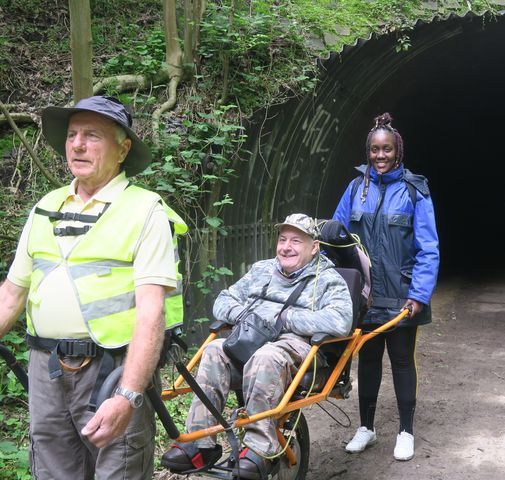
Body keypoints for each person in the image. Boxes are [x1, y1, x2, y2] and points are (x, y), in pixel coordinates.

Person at [0, 95, 187, 479]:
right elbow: (11, 293)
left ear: (123, 149)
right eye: (72, 135)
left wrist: (129, 395)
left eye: (92, 136)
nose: (78, 145)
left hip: (111, 371)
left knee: (118, 470)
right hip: (45, 370)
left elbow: (151, 312)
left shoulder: (145, 210)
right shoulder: (45, 207)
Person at [161, 213, 353, 479]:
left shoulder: (328, 279)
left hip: (295, 346)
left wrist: (286, 319)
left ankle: (259, 448)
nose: (286, 246)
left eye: (296, 240)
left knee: (267, 356)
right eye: (283, 239)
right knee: (214, 350)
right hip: (250, 338)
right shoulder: (262, 269)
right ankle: (200, 444)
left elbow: (342, 320)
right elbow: (222, 300)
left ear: (314, 247)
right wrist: (245, 317)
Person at [333, 112, 439, 461]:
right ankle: (367, 428)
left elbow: (428, 248)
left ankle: (406, 431)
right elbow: (335, 235)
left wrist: (419, 295)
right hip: (364, 296)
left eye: (387, 149)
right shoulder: (354, 188)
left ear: (398, 151)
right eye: (375, 150)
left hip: (401, 294)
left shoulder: (414, 191)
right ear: (368, 151)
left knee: (402, 361)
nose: (381, 156)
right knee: (368, 360)